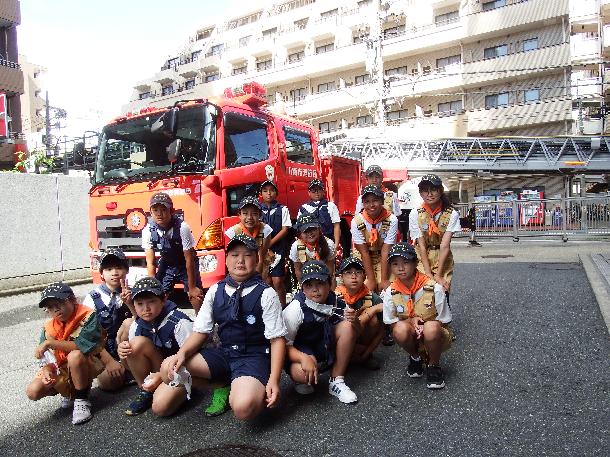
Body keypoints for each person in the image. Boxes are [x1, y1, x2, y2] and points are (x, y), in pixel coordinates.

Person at [160, 234, 287, 420]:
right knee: (168, 369)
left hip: (252, 356)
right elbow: (201, 331)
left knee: (243, 409)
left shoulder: (266, 293)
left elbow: (277, 340)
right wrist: (182, 353)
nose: (241, 261)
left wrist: (275, 380)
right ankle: (222, 384)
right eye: (235, 255)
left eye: (247, 255)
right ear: (226, 259)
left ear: (257, 258)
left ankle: (248, 385)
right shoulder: (215, 290)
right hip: (224, 352)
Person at [26, 283, 105, 425]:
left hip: (87, 361)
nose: (56, 309)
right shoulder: (49, 327)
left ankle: (81, 399)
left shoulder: (88, 316)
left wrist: (50, 343)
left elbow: (81, 346)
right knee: (33, 391)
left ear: (73, 300)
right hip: (61, 367)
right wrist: (47, 371)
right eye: (50, 307)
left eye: (60, 303)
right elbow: (45, 356)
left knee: (75, 356)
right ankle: (68, 393)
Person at [283, 260, 358, 403]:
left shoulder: (336, 301)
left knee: (348, 326)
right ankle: (300, 378)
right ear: (302, 288)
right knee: (305, 375)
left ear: (329, 284)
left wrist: (356, 321)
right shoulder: (294, 309)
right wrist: (302, 358)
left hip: (324, 342)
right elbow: (282, 345)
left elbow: (356, 331)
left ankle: (337, 380)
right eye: (309, 285)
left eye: (320, 283)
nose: (315, 289)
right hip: (301, 349)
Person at [118, 277, 193, 416]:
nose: (146, 308)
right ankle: (146, 390)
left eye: (151, 301)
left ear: (163, 299)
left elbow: (194, 359)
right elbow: (129, 365)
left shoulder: (179, 322)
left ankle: (185, 392)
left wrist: (161, 375)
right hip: (159, 368)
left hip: (181, 372)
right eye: (139, 303)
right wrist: (122, 352)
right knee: (134, 345)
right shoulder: (137, 325)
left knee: (161, 408)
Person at [382, 243, 453, 389]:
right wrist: (410, 320)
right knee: (399, 330)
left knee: (431, 327)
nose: (400, 268)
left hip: (435, 335)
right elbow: (391, 322)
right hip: (411, 335)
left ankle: (433, 365)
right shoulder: (390, 292)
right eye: (395, 264)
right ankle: (415, 357)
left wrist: (425, 326)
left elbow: (444, 320)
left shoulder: (434, 288)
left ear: (416, 263)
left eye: (406, 262)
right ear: (390, 267)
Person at [142, 192, 203, 312]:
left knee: (196, 296)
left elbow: (189, 259)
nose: (159, 214)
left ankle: (202, 325)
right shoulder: (148, 231)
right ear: (151, 212)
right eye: (155, 210)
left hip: (185, 264)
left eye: (164, 209)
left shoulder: (182, 227)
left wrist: (191, 287)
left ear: (172, 210)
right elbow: (151, 263)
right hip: (167, 264)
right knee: (158, 296)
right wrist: (152, 287)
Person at [83, 247, 134, 391]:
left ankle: (130, 367)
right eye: (109, 269)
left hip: (128, 348)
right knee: (109, 384)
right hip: (103, 351)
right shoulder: (92, 298)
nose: (115, 273)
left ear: (127, 270)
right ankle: (125, 371)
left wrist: (130, 303)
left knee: (129, 322)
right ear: (102, 274)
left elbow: (144, 323)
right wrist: (109, 361)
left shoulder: (135, 292)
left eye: (119, 267)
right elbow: (88, 335)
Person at [409, 174, 461, 293]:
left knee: (442, 290)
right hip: (422, 256)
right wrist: (427, 272)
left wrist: (438, 274)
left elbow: (445, 246)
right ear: (420, 193)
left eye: (433, 189)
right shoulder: (415, 213)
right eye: (425, 191)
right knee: (424, 291)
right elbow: (421, 245)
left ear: (441, 191)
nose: (430, 194)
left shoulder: (451, 214)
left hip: (442, 256)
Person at [335, 256, 384, 370]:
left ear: (364, 276)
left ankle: (365, 357)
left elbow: (381, 332)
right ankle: (341, 358)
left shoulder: (373, 298)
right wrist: (372, 310)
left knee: (374, 321)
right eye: (348, 272)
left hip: (362, 341)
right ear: (341, 277)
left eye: (358, 272)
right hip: (341, 341)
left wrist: (367, 353)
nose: (354, 276)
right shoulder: (336, 297)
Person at [351, 185, 399, 293]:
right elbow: (364, 252)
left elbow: (386, 250)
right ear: (363, 203)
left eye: (375, 200)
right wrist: (371, 279)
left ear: (382, 201)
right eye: (367, 201)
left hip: (384, 256)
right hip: (364, 256)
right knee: (363, 287)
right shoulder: (357, 221)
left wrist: (384, 279)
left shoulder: (391, 219)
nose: (371, 205)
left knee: (390, 286)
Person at [259, 180, 292, 306]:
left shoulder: (282, 209)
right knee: (266, 280)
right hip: (262, 249)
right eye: (265, 191)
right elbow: (257, 232)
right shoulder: (258, 210)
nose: (269, 193)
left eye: (272, 190)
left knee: (278, 281)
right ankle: (270, 307)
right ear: (261, 193)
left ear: (276, 193)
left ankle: (283, 307)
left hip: (279, 249)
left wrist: (270, 243)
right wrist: (265, 248)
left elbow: (285, 230)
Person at [225, 195, 273, 277]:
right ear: (239, 215)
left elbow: (261, 256)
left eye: (254, 213)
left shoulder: (265, 229)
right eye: (245, 213)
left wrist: (256, 277)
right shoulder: (233, 232)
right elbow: (231, 256)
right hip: (240, 267)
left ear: (260, 215)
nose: (249, 217)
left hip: (260, 267)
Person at [289, 214, 336, 287]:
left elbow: (330, 270)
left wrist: (326, 288)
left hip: (325, 280)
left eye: (313, 229)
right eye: (305, 231)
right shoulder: (296, 247)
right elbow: (298, 270)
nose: (310, 233)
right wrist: (304, 287)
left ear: (319, 229)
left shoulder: (329, 244)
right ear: (300, 234)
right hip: (307, 281)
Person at [297, 178, 341, 250]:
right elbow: (300, 228)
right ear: (309, 192)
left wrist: (336, 245)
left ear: (323, 191)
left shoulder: (331, 206)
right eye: (313, 190)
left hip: (328, 243)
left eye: (319, 190)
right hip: (309, 244)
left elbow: (336, 226)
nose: (317, 192)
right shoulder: (303, 208)